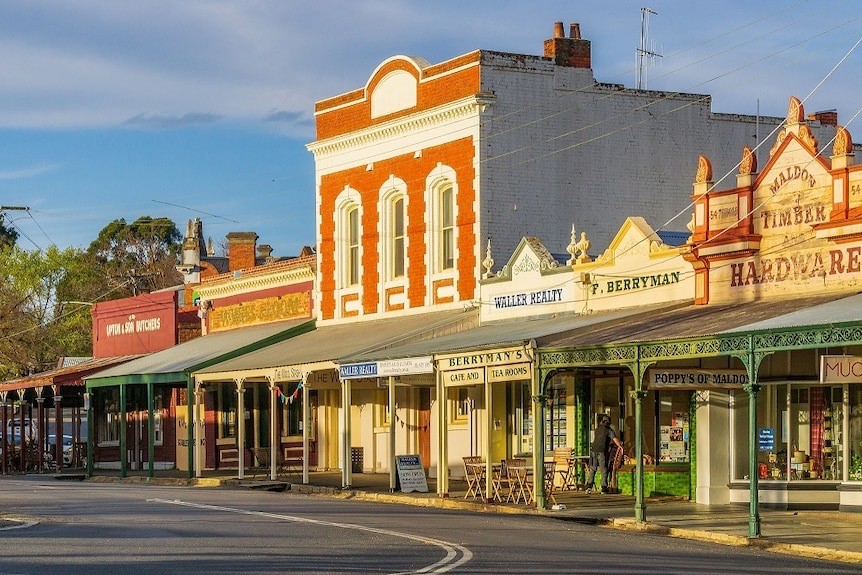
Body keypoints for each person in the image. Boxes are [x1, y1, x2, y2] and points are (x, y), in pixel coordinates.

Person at [585, 414, 623, 494]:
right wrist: (621, 447)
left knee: (592, 469)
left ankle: (589, 487)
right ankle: (604, 488)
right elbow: (615, 440)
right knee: (604, 469)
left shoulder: (597, 429)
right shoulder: (609, 430)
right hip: (602, 451)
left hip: (593, 450)